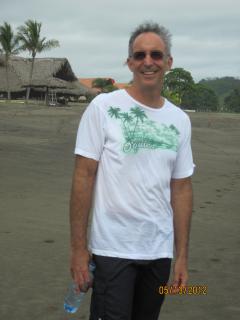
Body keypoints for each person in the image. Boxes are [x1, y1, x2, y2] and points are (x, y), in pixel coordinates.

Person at [70, 21, 195, 320]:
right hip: (112, 250)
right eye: (139, 55)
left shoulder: (179, 120)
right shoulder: (103, 107)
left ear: (168, 62)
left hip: (158, 252)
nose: (148, 62)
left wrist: (181, 257)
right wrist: (78, 250)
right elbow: (83, 177)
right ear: (129, 62)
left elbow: (181, 189)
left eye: (155, 54)